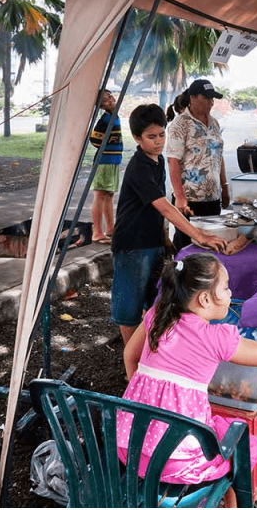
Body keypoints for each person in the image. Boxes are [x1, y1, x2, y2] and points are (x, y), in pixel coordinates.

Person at [119, 253, 257, 503]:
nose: (229, 293)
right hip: (177, 461)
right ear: (205, 298)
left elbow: (130, 355)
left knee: (212, 430)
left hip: (129, 446)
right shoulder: (215, 337)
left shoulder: (156, 314)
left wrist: (143, 396)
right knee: (239, 446)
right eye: (225, 288)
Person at [112, 104, 226, 344]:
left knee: (151, 299)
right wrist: (199, 236)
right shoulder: (139, 167)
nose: (158, 141)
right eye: (151, 137)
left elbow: (156, 209)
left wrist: (165, 238)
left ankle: (147, 349)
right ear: (136, 138)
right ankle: (131, 361)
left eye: (161, 134)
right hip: (133, 244)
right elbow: (164, 205)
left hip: (152, 241)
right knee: (129, 306)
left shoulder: (157, 160)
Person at [166, 80, 229, 249]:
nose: (211, 102)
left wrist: (225, 186)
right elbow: (173, 162)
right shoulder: (180, 124)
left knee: (212, 243)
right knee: (187, 245)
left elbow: (219, 156)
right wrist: (179, 197)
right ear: (192, 98)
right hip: (190, 199)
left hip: (213, 198)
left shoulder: (214, 123)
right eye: (206, 98)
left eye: (212, 99)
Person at [89, 89, 122, 244]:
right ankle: (97, 231)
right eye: (105, 100)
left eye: (110, 96)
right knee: (100, 195)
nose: (110, 100)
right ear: (100, 105)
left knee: (109, 195)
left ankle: (110, 228)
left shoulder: (114, 117)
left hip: (113, 161)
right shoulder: (105, 119)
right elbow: (94, 139)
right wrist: (106, 145)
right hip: (104, 161)